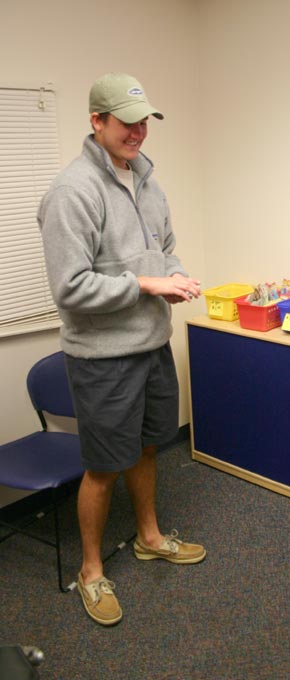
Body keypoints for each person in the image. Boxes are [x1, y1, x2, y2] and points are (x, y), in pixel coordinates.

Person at [38, 72, 206, 627]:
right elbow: (70, 287)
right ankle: (90, 570)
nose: (137, 132)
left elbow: (166, 248)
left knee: (150, 448)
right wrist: (146, 284)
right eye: (125, 122)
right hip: (103, 358)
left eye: (143, 122)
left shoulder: (146, 180)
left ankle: (149, 537)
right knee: (104, 467)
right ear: (97, 122)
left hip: (151, 345)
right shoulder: (72, 192)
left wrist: (175, 276)